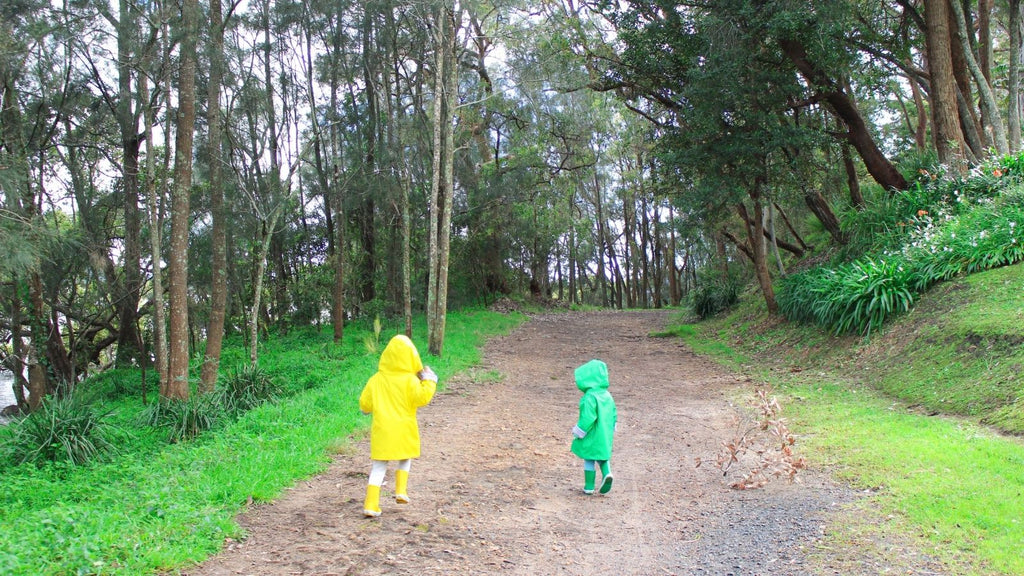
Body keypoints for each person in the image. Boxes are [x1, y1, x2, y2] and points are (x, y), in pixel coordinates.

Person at [358, 334, 437, 517]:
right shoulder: (410, 381)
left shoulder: (376, 379)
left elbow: (365, 403)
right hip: (404, 428)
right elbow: (422, 398)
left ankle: (371, 504)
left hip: (382, 430)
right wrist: (430, 380)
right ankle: (401, 491)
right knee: (405, 458)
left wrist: (366, 409)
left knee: (379, 466)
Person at [570, 359, 617, 494]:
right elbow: (613, 412)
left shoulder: (590, 397)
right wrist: (613, 425)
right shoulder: (607, 395)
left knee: (589, 457)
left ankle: (589, 486)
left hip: (592, 432)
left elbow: (588, 417)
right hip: (604, 431)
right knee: (602, 455)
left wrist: (580, 430)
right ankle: (607, 473)